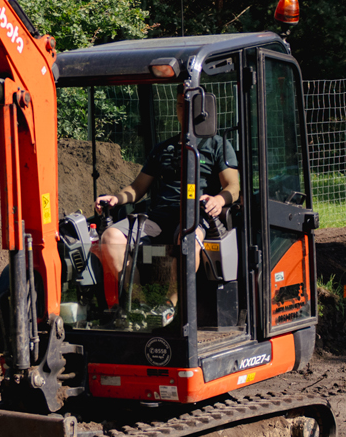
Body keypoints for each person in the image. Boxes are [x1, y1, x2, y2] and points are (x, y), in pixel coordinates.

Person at [93, 101, 238, 309]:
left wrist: (219, 199)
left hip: (194, 216)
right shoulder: (163, 149)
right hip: (158, 218)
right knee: (110, 237)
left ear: (203, 109)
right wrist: (117, 198)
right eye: (180, 104)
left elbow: (233, 186)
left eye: (190, 103)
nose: (184, 109)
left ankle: (170, 304)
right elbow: (137, 188)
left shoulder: (217, 145)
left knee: (187, 239)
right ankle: (139, 304)